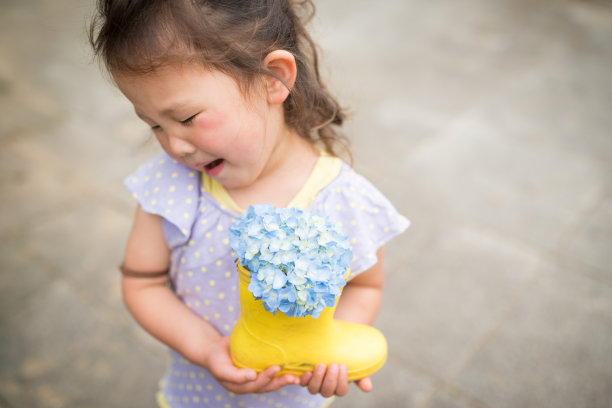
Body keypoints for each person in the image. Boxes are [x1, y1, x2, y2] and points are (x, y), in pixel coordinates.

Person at [89, 1, 409, 407]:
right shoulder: (171, 188)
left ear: (273, 79)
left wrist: (327, 349)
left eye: (186, 118)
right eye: (154, 124)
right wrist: (205, 349)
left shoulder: (343, 200)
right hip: (198, 395)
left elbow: (364, 285)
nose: (174, 146)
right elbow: (142, 282)